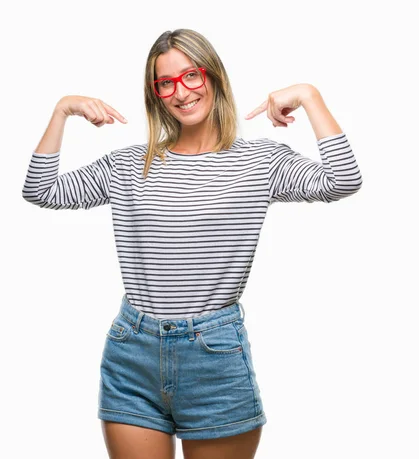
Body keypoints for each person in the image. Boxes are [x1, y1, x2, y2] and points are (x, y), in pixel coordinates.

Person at [22, 28, 362, 459]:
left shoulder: (262, 162)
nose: (180, 92)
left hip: (213, 357)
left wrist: (310, 96)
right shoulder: (129, 165)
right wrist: (61, 112)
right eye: (166, 83)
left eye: (191, 76)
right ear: (156, 94)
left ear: (213, 77)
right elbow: (41, 190)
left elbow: (344, 180)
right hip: (133, 354)